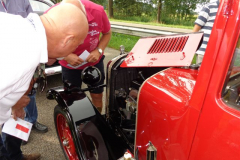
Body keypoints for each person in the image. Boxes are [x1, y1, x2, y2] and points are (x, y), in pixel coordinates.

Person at [0, 3, 88, 160]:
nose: (74, 51)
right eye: (76, 45)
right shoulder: (25, 54)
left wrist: (13, 100)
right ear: (68, 40)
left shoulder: (16, 25)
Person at [51, 0, 112, 113]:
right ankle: (78, 123)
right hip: (70, 65)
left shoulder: (97, 11)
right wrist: (65, 56)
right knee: (73, 99)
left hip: (94, 62)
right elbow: (46, 41)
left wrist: (98, 50)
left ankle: (96, 121)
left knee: (97, 95)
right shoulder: (52, 13)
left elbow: (107, 33)